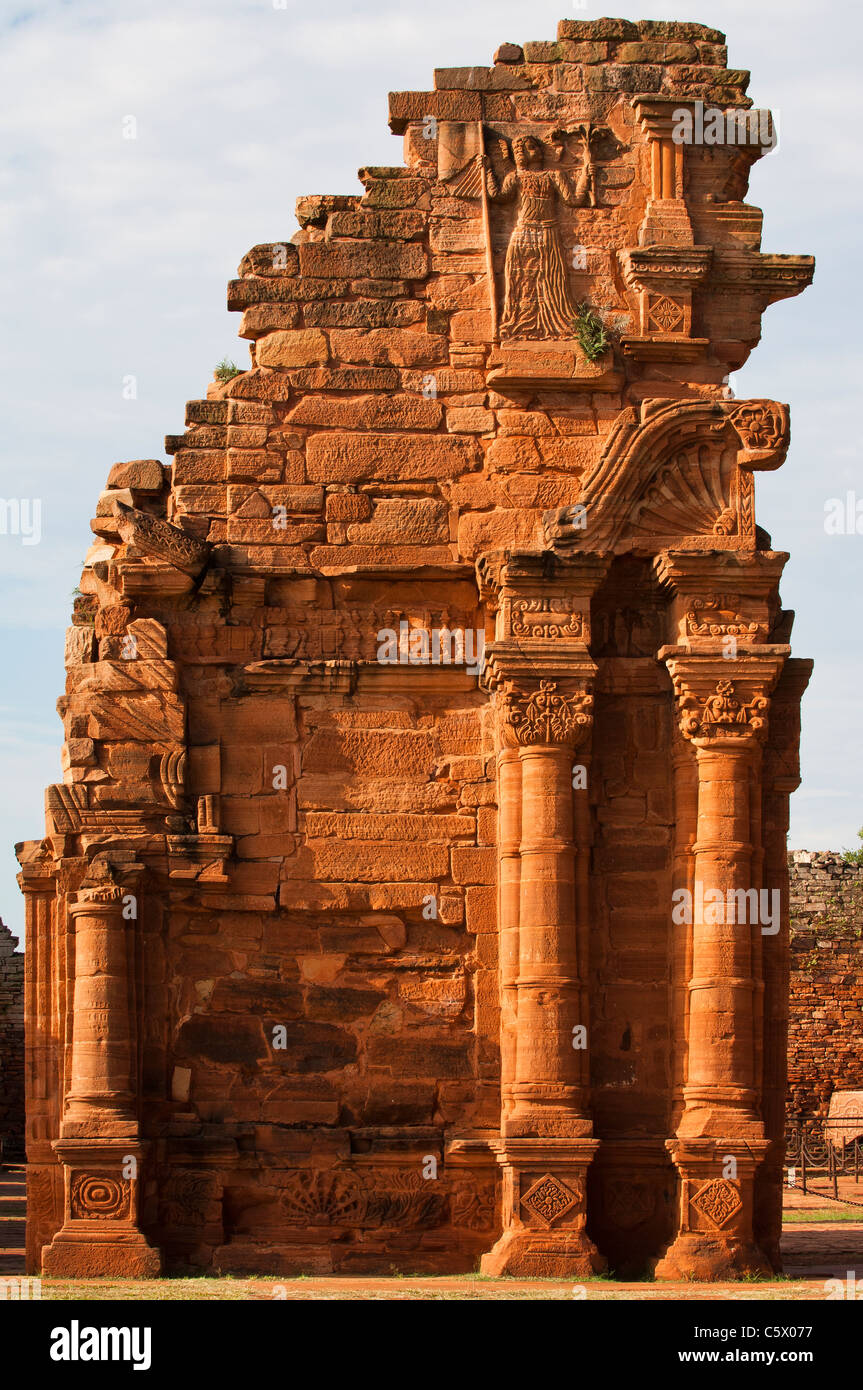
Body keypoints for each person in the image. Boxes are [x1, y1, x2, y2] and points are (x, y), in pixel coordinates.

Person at [479, 134, 591, 339]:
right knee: (522, 280)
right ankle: (520, 323)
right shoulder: (516, 176)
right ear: (520, 153)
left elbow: (573, 199)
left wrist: (586, 174)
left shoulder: (554, 175)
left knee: (552, 280)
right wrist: (487, 170)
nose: (537, 149)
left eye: (538, 146)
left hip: (548, 231)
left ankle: (554, 326)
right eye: (531, 147)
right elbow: (498, 196)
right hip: (523, 233)